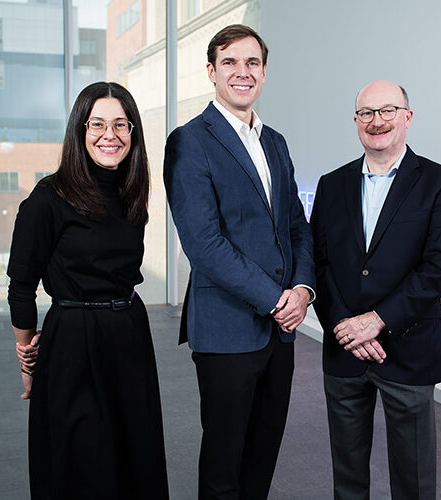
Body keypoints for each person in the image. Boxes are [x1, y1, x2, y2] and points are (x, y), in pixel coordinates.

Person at [163, 24, 314, 499]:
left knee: (264, 453)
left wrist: (304, 290)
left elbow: (296, 225)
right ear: (211, 72)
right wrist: (275, 299)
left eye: (252, 63)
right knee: (224, 463)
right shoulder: (190, 141)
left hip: (280, 330)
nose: (242, 72)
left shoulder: (276, 143)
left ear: (264, 73)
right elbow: (204, 243)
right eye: (230, 62)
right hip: (227, 329)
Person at [7, 82, 168, 499]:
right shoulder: (48, 198)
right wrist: (27, 360)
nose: (109, 135)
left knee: (136, 455)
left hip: (129, 334)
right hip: (73, 341)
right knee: (81, 463)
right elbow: (21, 287)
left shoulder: (131, 193)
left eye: (120, 124)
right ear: (80, 130)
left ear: (133, 133)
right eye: (97, 124)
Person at [310, 80, 441, 500]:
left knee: (414, 482)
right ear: (356, 121)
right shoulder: (331, 184)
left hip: (409, 349)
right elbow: (318, 263)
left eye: (387, 111)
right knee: (348, 480)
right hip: (345, 351)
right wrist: (345, 326)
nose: (376, 121)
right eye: (366, 113)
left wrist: (375, 322)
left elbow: (437, 270)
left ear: (407, 117)